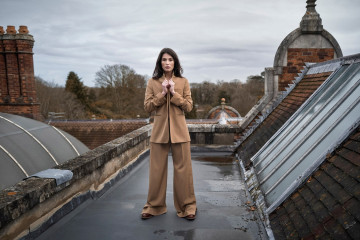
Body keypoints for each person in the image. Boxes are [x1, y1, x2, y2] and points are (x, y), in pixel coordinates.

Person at [141, 48, 197, 220]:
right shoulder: (152, 82)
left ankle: (188, 206)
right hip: (159, 132)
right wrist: (162, 93)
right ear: (160, 62)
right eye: (164, 59)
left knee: (183, 171)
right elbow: (147, 107)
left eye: (170, 60)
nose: (167, 62)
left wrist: (173, 93)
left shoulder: (183, 81)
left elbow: (188, 106)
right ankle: (153, 206)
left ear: (175, 63)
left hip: (180, 131)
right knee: (156, 171)